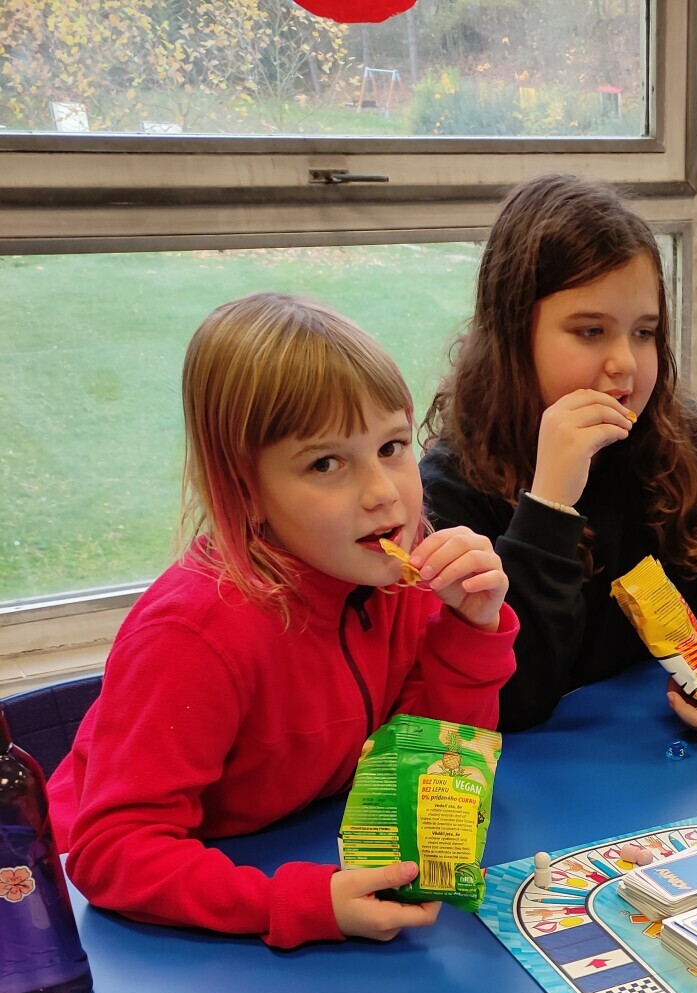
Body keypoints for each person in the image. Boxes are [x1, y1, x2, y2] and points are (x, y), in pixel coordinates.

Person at [52, 292, 518, 949]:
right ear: (244, 489)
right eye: (326, 463)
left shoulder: (391, 576)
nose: (383, 492)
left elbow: (431, 763)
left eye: (392, 446)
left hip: (282, 844)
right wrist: (297, 902)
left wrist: (469, 631)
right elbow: (112, 851)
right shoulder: (193, 636)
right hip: (104, 922)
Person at [421, 172, 697, 734]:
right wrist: (549, 508)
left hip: (669, 761)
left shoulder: (694, 449)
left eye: (644, 333)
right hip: (529, 774)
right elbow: (511, 701)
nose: (626, 364)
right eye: (591, 331)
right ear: (513, 335)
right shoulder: (450, 490)